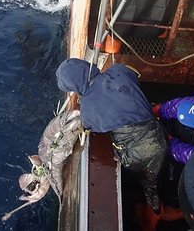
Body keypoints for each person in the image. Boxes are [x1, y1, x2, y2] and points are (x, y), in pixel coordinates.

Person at [56, 58, 167, 214]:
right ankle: (156, 198)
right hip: (158, 137)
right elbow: (133, 76)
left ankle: (152, 209)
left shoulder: (88, 112)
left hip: (134, 156)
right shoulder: (118, 71)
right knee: (157, 174)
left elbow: (92, 127)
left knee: (144, 180)